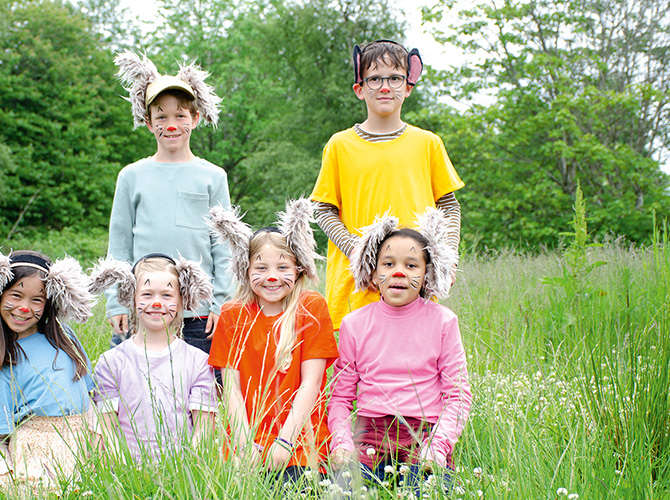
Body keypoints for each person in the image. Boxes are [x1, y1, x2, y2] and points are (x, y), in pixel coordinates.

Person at [311, 39, 465, 329]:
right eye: (375, 79)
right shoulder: (340, 145)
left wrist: (448, 258)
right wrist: (362, 258)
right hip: (360, 283)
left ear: (407, 87)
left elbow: (449, 206)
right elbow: (325, 210)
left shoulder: (428, 143)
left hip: (413, 277)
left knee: (414, 364)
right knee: (359, 368)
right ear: (359, 89)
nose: (385, 87)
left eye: (395, 78)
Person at [328, 208, 471, 484]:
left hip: (424, 431)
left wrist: (437, 446)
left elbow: (458, 395)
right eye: (389, 264)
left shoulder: (443, 321)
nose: (399, 273)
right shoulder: (354, 324)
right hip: (369, 431)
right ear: (372, 271)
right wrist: (342, 442)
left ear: (427, 272)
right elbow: (340, 398)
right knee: (346, 495)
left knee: (427, 497)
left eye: (411, 265)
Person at [107, 51, 232, 353]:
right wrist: (116, 302)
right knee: (136, 392)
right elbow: (119, 247)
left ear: (196, 118)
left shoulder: (212, 177)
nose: (171, 124)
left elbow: (224, 249)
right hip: (144, 308)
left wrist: (221, 303)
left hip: (198, 314)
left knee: (200, 394)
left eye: (180, 115)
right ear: (148, 122)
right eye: (161, 116)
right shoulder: (131, 176)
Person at [207, 199, 338, 484]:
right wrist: (243, 441)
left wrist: (285, 443)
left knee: (295, 496)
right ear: (245, 270)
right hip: (247, 436)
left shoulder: (311, 308)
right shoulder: (233, 314)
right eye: (261, 268)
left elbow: (311, 383)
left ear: (299, 270)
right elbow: (231, 388)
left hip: (299, 436)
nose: (272, 277)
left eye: (282, 268)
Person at [0, 248, 98, 490]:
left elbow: (91, 397)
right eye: (16, 295)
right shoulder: (1, 365)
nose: (24, 308)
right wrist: (4, 478)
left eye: (36, 300)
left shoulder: (66, 338)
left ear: (48, 304)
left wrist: (102, 442)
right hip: (39, 453)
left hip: (87, 444)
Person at [89, 254, 218, 462]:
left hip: (183, 475)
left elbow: (204, 430)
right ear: (131, 298)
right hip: (126, 473)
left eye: (167, 295)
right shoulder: (111, 362)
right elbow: (105, 428)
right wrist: (127, 469)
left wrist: (185, 471)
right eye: (147, 294)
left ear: (182, 300)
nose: (157, 303)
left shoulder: (198, 362)